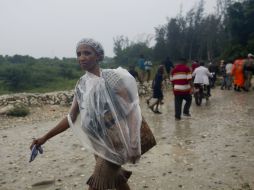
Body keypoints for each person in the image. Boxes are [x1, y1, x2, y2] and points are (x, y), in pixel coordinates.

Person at [30, 38, 142, 190]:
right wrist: (45, 137)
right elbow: (71, 117)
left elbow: (132, 109)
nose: (81, 57)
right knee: (117, 180)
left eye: (87, 53)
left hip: (116, 141)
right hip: (97, 141)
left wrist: (134, 142)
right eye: (78, 54)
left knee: (97, 183)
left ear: (98, 56)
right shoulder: (81, 84)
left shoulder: (110, 77)